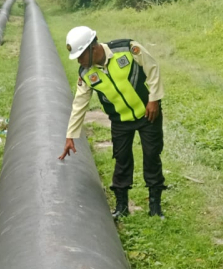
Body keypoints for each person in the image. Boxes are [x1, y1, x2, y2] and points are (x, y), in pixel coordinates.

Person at [58, 26, 166, 219]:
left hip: (148, 114)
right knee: (122, 161)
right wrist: (70, 136)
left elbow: (152, 68)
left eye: (81, 56)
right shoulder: (86, 74)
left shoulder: (127, 49)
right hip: (120, 121)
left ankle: (155, 207)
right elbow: (79, 104)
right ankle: (122, 207)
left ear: (93, 48)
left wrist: (154, 99)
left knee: (152, 156)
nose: (79, 61)